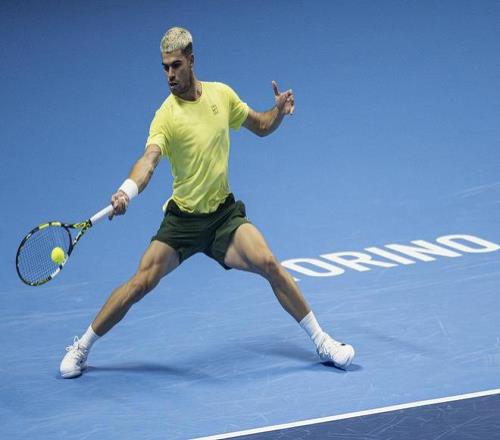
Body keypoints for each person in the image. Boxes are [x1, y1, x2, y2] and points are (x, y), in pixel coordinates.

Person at [60, 27, 354, 379]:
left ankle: (323, 341)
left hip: (223, 217)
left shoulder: (221, 95)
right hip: (182, 222)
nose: (170, 74)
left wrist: (277, 111)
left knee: (269, 263)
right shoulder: (166, 116)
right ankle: (81, 347)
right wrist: (127, 191)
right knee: (139, 284)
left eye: (176, 65)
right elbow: (149, 161)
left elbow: (261, 126)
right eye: (165, 67)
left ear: (191, 61)